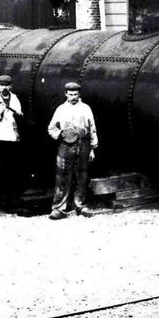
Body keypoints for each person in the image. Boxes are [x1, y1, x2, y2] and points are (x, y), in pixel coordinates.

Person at [47, 82, 98, 220]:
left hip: (84, 144)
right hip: (66, 145)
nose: (73, 97)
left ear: (79, 94)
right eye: (70, 94)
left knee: (82, 176)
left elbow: (92, 128)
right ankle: (59, 209)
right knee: (62, 176)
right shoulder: (61, 109)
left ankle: (80, 206)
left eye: (75, 94)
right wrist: (61, 134)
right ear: (66, 94)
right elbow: (51, 128)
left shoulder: (86, 109)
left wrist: (92, 148)